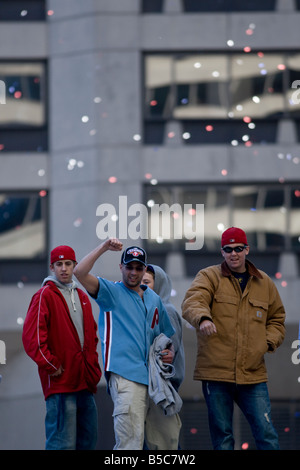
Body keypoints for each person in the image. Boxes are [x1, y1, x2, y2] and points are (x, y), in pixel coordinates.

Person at [181, 227, 286, 450]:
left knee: (267, 436)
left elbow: (277, 319)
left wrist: (266, 343)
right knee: (223, 440)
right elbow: (192, 301)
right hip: (216, 374)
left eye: (238, 248)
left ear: (247, 249)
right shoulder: (208, 276)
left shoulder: (264, 282)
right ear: (222, 252)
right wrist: (203, 319)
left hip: (253, 374)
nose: (233, 254)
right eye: (228, 249)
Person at [73, 239, 176, 450]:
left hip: (154, 381)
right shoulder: (111, 292)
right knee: (129, 445)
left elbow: (167, 336)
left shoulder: (153, 298)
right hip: (125, 377)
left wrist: (170, 352)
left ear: (145, 269)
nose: (134, 272)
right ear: (121, 267)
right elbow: (80, 272)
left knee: (163, 445)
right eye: (129, 266)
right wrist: (103, 247)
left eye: (139, 268)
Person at [22, 245, 102, 450]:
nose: (64, 268)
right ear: (52, 267)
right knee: (61, 444)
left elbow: (92, 337)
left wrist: (92, 370)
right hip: (60, 384)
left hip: (85, 383)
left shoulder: (83, 297)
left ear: (75, 266)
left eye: (68, 264)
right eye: (59, 264)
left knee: (88, 443)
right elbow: (32, 338)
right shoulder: (44, 295)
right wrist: (51, 365)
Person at [142, 264, 185, 449]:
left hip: (162, 389)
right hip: (150, 387)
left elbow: (169, 353)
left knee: (164, 443)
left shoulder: (165, 310)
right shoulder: (145, 309)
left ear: (158, 284)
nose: (141, 285)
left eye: (147, 282)